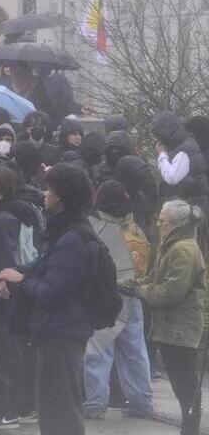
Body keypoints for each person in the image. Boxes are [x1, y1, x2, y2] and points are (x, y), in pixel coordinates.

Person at [0, 164, 96, 435]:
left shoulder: (72, 239)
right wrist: (19, 272)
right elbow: (47, 270)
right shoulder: (63, 233)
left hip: (62, 333)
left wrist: (22, 281)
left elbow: (54, 293)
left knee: (60, 411)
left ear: (61, 197)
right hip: (55, 331)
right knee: (54, 409)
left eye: (49, 189)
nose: (44, 194)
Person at [123, 199, 206, 435]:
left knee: (185, 381)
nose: (158, 224)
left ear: (177, 224)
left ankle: (189, 427)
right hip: (171, 326)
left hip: (180, 326)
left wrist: (139, 291)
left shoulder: (184, 249)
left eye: (162, 221)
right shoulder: (171, 245)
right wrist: (131, 284)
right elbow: (155, 279)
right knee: (181, 381)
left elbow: (171, 291)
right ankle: (188, 425)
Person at [0, 165, 42, 429]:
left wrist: (0, 279)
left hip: (3, 293)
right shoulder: (24, 211)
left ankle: (7, 410)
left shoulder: (3, 219)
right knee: (20, 350)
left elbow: (2, 254)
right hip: (23, 289)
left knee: (3, 352)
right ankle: (25, 405)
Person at [81, 180, 154, 420]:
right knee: (135, 350)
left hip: (106, 297)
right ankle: (141, 401)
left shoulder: (95, 226)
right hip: (132, 296)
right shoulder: (134, 227)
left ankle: (95, 403)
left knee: (99, 351)